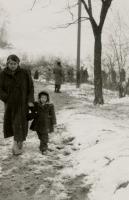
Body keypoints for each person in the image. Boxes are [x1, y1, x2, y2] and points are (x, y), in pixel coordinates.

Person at [0, 54, 34, 155]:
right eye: (10, 63)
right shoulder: (2, 74)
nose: (12, 65)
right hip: (10, 104)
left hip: (23, 103)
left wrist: (30, 100)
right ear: (7, 63)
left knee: (21, 122)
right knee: (13, 122)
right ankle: (17, 142)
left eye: (14, 63)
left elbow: (30, 87)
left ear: (18, 64)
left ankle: (18, 142)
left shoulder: (24, 73)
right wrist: (6, 98)